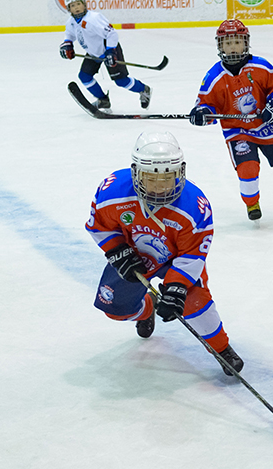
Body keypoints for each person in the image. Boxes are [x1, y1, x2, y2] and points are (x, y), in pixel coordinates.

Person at [86, 131, 244, 375]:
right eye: (151, 179)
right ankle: (147, 308)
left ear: (180, 172)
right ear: (136, 172)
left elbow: (193, 253)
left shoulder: (194, 206)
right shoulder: (112, 191)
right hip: (135, 256)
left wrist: (177, 286)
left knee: (195, 304)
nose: (160, 188)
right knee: (115, 309)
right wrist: (118, 251)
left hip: (176, 260)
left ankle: (221, 349)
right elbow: (100, 226)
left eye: (167, 179)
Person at [189, 19, 273, 221]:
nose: (233, 47)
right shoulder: (213, 77)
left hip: (268, 127)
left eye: (237, 42)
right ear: (220, 46)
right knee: (247, 169)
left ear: (246, 42)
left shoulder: (262, 67)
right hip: (238, 132)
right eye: (227, 43)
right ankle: (252, 203)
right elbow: (207, 106)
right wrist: (201, 114)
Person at [59, 0, 150, 110]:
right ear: (69, 9)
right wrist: (68, 44)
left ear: (84, 4)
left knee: (121, 81)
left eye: (78, 4)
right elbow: (69, 34)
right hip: (93, 53)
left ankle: (143, 90)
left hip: (109, 50)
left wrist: (111, 52)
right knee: (84, 76)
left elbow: (112, 34)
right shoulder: (71, 22)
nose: (76, 8)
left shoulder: (93, 19)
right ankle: (103, 100)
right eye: (72, 6)